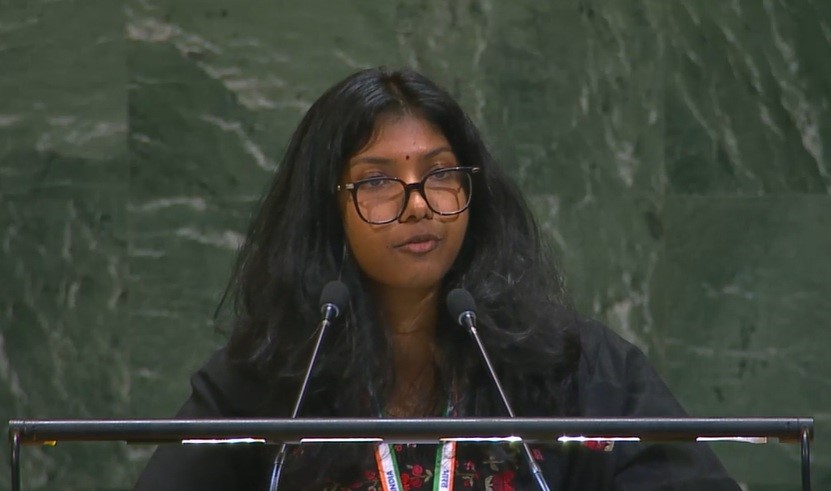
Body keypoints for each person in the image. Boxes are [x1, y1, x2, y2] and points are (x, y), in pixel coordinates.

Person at [134, 67, 740, 490]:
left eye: (441, 174)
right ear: (327, 210)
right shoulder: (266, 383)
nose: (419, 203)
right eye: (377, 181)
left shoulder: (576, 368)